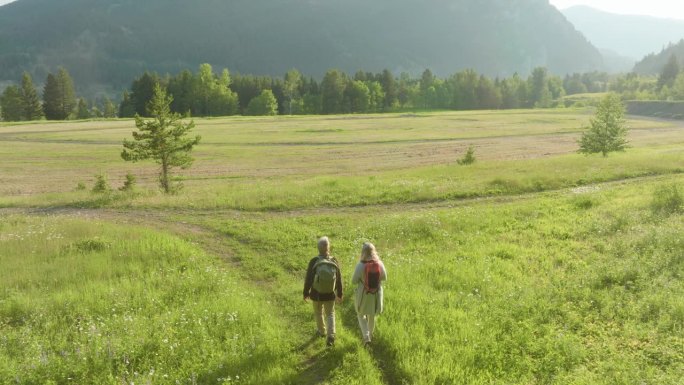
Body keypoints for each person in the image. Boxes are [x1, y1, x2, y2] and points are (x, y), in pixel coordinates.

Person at [303, 236, 343, 346]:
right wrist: (339, 294)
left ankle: (321, 331)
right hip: (330, 295)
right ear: (328, 248)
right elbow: (339, 278)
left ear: (318, 248)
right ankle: (331, 335)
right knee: (330, 314)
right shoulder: (334, 260)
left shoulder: (314, 261)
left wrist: (306, 292)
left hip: (316, 294)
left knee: (318, 313)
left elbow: (309, 279)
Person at [351, 242, 387, 346]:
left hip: (364, 293)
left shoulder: (360, 265)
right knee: (372, 315)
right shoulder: (379, 263)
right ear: (374, 251)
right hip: (376, 293)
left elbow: (354, 281)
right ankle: (370, 335)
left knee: (360, 314)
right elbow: (385, 277)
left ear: (363, 252)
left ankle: (366, 337)